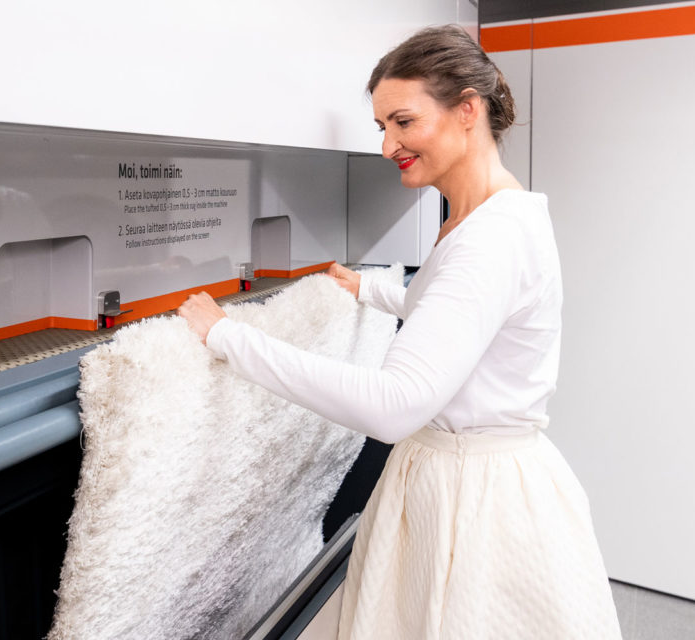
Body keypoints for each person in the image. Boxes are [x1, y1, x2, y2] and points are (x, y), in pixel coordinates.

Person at [178, 24, 622, 640]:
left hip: (473, 505)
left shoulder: (489, 238)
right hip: (475, 482)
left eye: (403, 122)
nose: (388, 146)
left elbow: (392, 406)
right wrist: (368, 289)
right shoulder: (486, 216)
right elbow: (452, 312)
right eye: (382, 127)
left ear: (467, 110)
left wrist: (229, 337)